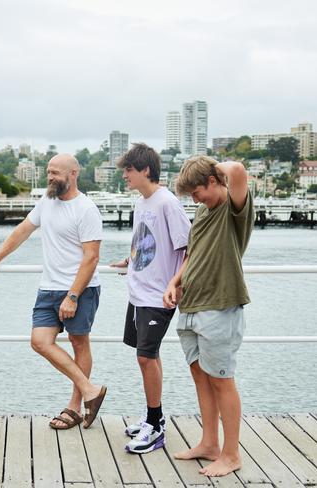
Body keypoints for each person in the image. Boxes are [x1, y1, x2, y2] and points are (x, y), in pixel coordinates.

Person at [0, 153, 107, 430]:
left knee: (78, 343)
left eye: (56, 173)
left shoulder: (86, 209)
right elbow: (23, 230)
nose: (50, 177)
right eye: (48, 172)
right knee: (39, 341)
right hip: (48, 287)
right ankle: (90, 390)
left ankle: (75, 407)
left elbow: (91, 258)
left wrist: (73, 296)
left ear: (73, 174)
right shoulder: (46, 201)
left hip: (80, 289)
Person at [164, 156, 254, 477]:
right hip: (190, 307)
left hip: (220, 306)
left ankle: (231, 455)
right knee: (201, 378)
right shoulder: (203, 211)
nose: (194, 199)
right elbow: (193, 252)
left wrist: (205, 166)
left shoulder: (233, 208)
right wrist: (175, 281)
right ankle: (209, 444)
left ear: (213, 181)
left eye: (196, 191)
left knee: (221, 379)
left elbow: (237, 170)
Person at [111, 143, 190, 453]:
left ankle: (156, 426)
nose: (125, 176)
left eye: (129, 170)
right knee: (147, 355)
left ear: (145, 170)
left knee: (145, 356)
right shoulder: (142, 203)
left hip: (159, 295)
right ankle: (151, 417)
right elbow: (146, 243)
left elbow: (188, 248)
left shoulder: (167, 203)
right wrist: (129, 261)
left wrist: (174, 282)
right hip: (138, 291)